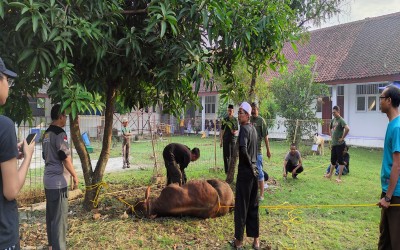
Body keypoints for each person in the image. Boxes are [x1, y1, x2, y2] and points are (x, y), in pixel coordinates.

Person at [0, 57, 35, 250]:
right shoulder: (4, 126)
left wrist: (11, 155)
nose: (9, 86)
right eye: (7, 80)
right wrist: (27, 156)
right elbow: (10, 190)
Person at [42, 104, 79, 250]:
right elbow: (65, 158)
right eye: (65, 116)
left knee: (51, 216)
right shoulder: (59, 134)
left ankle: (51, 245)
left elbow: (45, 156)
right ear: (60, 116)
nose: (66, 119)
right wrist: (75, 175)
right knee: (60, 219)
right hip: (58, 183)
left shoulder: (46, 134)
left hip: (47, 181)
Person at [230, 101, 260, 250]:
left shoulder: (243, 129)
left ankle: (239, 242)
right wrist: (254, 168)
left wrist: (248, 167)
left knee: (241, 207)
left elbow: (243, 150)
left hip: (246, 172)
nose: (238, 115)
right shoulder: (254, 129)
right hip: (255, 172)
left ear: (247, 115)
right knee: (253, 206)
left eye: (241, 112)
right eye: (238, 112)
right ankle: (256, 241)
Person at [377, 84, 400, 249]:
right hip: (388, 190)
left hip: (395, 194)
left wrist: (388, 197)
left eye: (381, 98)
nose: (379, 102)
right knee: (385, 235)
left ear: (389, 100)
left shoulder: (398, 128)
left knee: (395, 240)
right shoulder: (391, 124)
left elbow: (397, 166)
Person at [250, 102, 271, 201]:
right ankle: (252, 192)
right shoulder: (248, 119)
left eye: (254, 109)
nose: (253, 111)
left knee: (259, 173)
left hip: (257, 151)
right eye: (252, 109)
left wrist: (268, 150)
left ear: (257, 110)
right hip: (248, 151)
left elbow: (266, 137)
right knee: (250, 172)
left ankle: (261, 195)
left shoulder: (261, 121)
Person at [325, 105, 350, 182]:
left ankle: (339, 178)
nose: (333, 114)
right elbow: (330, 127)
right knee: (332, 160)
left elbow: (347, 128)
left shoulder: (341, 120)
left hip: (340, 145)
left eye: (334, 113)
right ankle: (330, 174)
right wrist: (331, 136)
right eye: (332, 113)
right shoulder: (333, 120)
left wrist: (342, 138)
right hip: (334, 144)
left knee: (340, 161)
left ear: (338, 112)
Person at [220, 104, 239, 174]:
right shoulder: (225, 119)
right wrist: (221, 141)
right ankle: (226, 171)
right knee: (225, 155)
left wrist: (234, 132)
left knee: (232, 155)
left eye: (230, 110)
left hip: (233, 139)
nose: (229, 112)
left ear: (233, 111)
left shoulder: (235, 120)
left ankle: (231, 170)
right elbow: (222, 130)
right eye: (228, 110)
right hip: (225, 139)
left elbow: (237, 130)